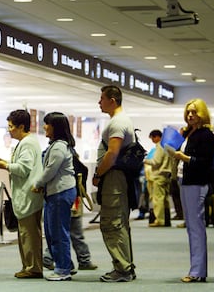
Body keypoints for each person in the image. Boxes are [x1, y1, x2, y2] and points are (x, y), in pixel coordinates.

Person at [0, 109, 44, 279]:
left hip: (28, 195)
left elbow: (24, 168)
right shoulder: (28, 142)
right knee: (27, 234)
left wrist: (5, 166)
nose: (9, 130)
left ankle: (33, 268)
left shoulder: (27, 143)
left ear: (22, 126)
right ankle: (29, 265)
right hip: (27, 194)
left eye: (11, 127)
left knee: (29, 234)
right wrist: (7, 162)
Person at [93, 85, 135, 282]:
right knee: (119, 223)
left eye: (102, 98)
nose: (99, 102)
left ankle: (122, 268)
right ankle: (126, 266)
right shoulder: (119, 120)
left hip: (114, 179)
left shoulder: (118, 123)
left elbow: (112, 154)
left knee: (113, 223)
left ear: (113, 100)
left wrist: (98, 174)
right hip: (116, 179)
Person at [172, 98, 214, 283]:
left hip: (196, 184)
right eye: (188, 112)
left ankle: (197, 271)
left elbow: (205, 163)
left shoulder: (206, 135)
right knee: (191, 227)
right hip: (185, 181)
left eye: (194, 112)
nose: (190, 115)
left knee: (196, 227)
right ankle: (196, 269)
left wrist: (185, 158)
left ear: (202, 114)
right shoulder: (189, 133)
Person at [32, 112, 77, 281]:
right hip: (56, 193)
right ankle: (65, 264)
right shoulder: (56, 145)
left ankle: (63, 269)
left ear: (55, 127)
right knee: (53, 232)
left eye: (47, 124)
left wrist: (37, 183)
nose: (44, 127)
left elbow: (51, 170)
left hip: (60, 192)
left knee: (58, 232)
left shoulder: (58, 146)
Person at [43, 149, 98, 272]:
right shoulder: (71, 162)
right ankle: (83, 260)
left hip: (64, 198)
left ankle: (49, 257)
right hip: (72, 200)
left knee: (60, 231)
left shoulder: (58, 159)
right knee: (73, 232)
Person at [144, 129, 174, 227]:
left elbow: (156, 162)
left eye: (152, 138)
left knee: (158, 199)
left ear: (156, 137)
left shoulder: (160, 146)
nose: (152, 140)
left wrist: (145, 160)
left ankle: (160, 220)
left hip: (159, 175)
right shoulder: (168, 146)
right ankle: (166, 220)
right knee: (165, 199)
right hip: (167, 175)